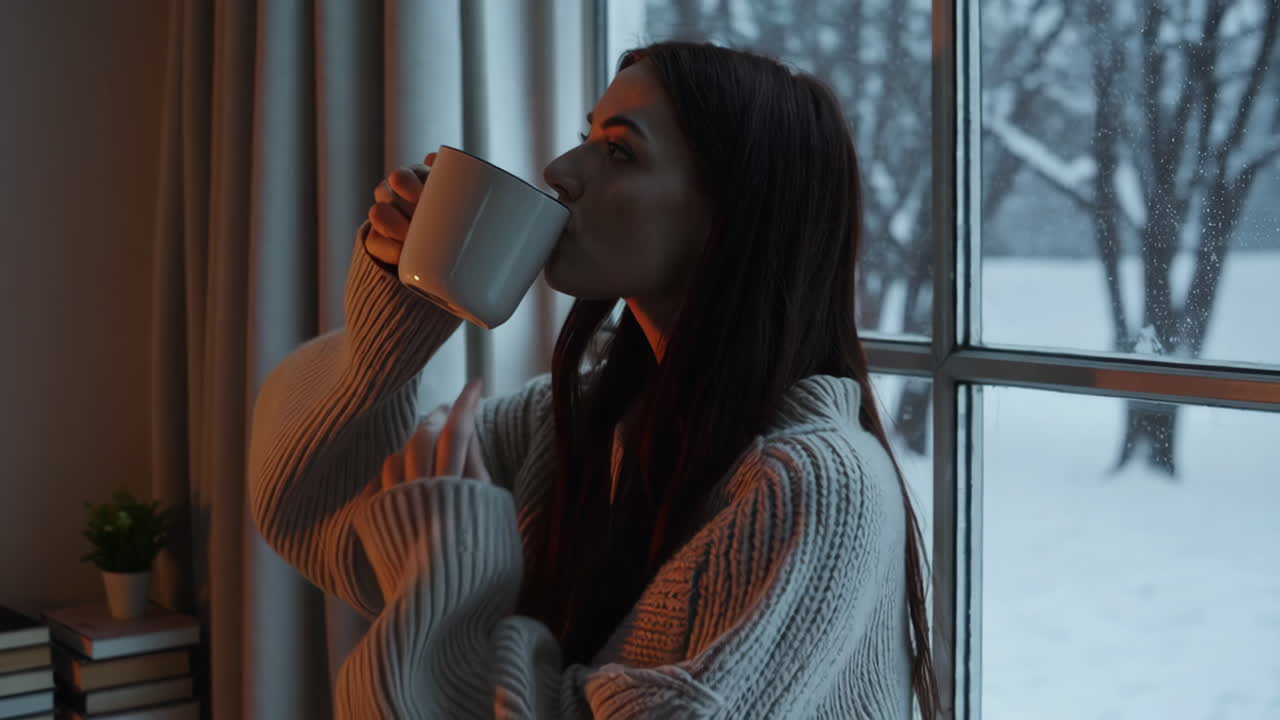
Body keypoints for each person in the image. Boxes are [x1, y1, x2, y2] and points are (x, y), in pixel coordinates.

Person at [249, 41, 937, 719]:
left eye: (618, 151)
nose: (557, 169)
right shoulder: (572, 425)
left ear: (729, 216)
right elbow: (317, 508)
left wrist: (453, 565)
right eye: (587, 136)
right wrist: (394, 326)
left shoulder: (815, 487)